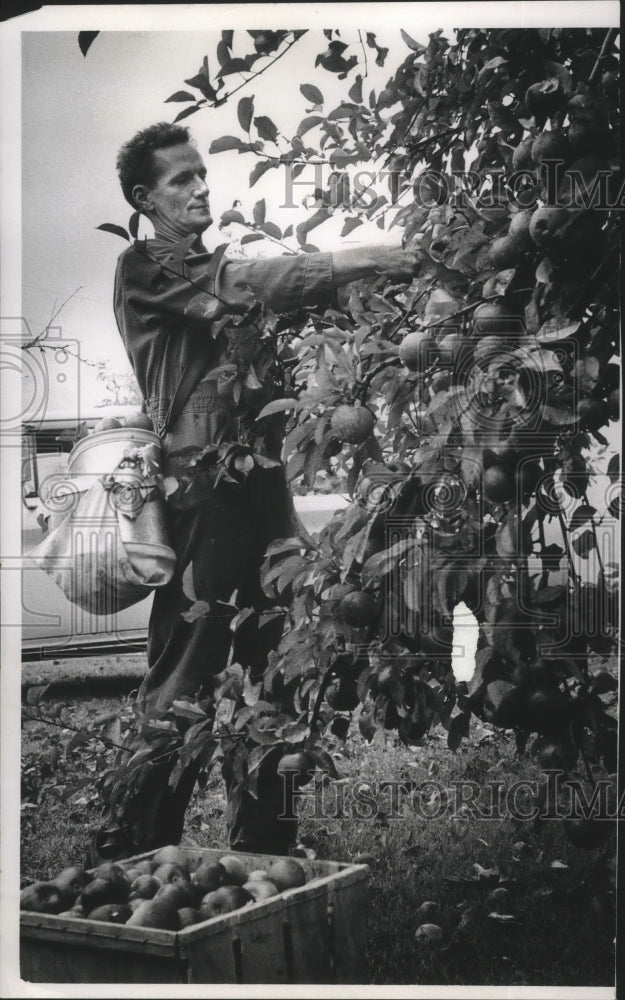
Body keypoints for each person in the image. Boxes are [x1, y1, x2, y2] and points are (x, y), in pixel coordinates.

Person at [91, 121, 419, 863]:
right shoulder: (145, 266)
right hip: (203, 489)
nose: (201, 187)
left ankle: (266, 843)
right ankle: (135, 847)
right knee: (188, 664)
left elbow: (273, 301)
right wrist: (366, 257)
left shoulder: (212, 271)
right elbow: (245, 286)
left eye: (202, 173)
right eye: (181, 180)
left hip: (261, 488)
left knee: (276, 662)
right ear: (144, 199)